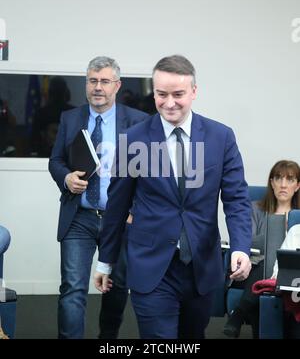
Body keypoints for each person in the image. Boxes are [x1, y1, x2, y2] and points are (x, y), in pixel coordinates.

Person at [94, 54, 252, 339]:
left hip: (200, 267)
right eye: (161, 94)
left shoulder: (220, 137)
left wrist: (240, 246)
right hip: (151, 266)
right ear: (153, 92)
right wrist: (105, 261)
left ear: (194, 91)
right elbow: (117, 206)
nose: (169, 103)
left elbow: (237, 198)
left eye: (178, 94)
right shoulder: (133, 139)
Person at [48, 56, 148, 339]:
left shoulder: (138, 122)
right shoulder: (70, 118)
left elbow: (149, 174)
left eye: (105, 81)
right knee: (72, 288)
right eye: (93, 81)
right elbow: (55, 160)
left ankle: (108, 340)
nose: (98, 87)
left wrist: (136, 210)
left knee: (115, 289)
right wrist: (66, 178)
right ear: (86, 84)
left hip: (120, 221)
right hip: (79, 216)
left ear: (117, 85)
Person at [223, 160, 300, 338]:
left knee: (274, 269)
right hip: (250, 269)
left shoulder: (298, 219)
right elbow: (246, 242)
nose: (283, 184)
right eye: (278, 178)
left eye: (289, 179)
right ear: (271, 182)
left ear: (297, 186)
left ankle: (238, 314)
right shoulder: (254, 209)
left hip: (286, 276)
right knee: (266, 263)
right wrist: (280, 233)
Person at [31, 76, 74, 157]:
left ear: (50, 93)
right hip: (67, 157)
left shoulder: (41, 113)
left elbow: (34, 141)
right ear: (66, 92)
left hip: (44, 157)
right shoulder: (73, 112)